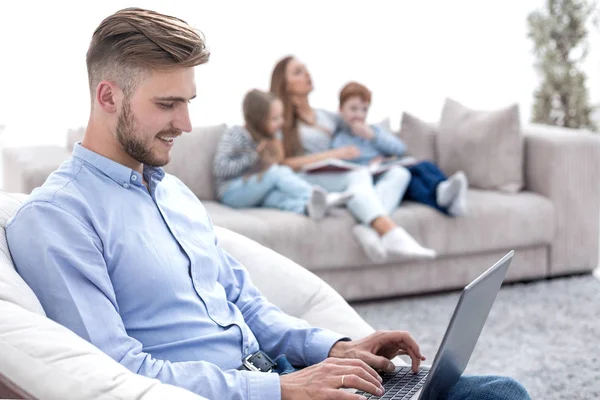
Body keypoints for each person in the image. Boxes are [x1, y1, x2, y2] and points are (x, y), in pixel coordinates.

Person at [6, 8, 531, 400]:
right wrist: (281, 391)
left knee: (495, 392)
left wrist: (336, 348)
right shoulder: (58, 219)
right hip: (241, 393)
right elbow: (115, 373)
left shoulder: (173, 192)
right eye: (166, 105)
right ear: (107, 96)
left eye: (187, 102)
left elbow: (248, 305)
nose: (185, 125)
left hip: (277, 374)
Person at [270, 56, 436, 263]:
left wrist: (375, 149)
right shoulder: (280, 120)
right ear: (284, 84)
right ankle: (390, 233)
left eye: (306, 69)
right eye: (298, 72)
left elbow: (356, 124)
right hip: (308, 177)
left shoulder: (326, 116)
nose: (307, 74)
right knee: (358, 176)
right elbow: (280, 164)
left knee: (399, 173)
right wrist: (332, 155)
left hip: (340, 172)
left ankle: (368, 228)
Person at [331, 82, 468, 217]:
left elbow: (399, 148)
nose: (359, 115)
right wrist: (368, 164)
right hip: (378, 177)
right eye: (353, 109)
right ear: (340, 110)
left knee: (424, 167)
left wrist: (373, 137)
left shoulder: (375, 132)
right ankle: (445, 198)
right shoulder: (340, 140)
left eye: (364, 109)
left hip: (391, 166)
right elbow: (343, 168)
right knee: (410, 181)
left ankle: (444, 190)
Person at [213, 89, 352, 220]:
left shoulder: (267, 138)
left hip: (254, 190)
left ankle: (308, 207)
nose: (281, 122)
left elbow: (275, 163)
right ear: (259, 121)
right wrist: (254, 157)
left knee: (275, 197)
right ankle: (322, 196)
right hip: (231, 192)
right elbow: (220, 168)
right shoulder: (236, 134)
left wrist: (274, 147)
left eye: (281, 117)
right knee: (277, 173)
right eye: (275, 119)